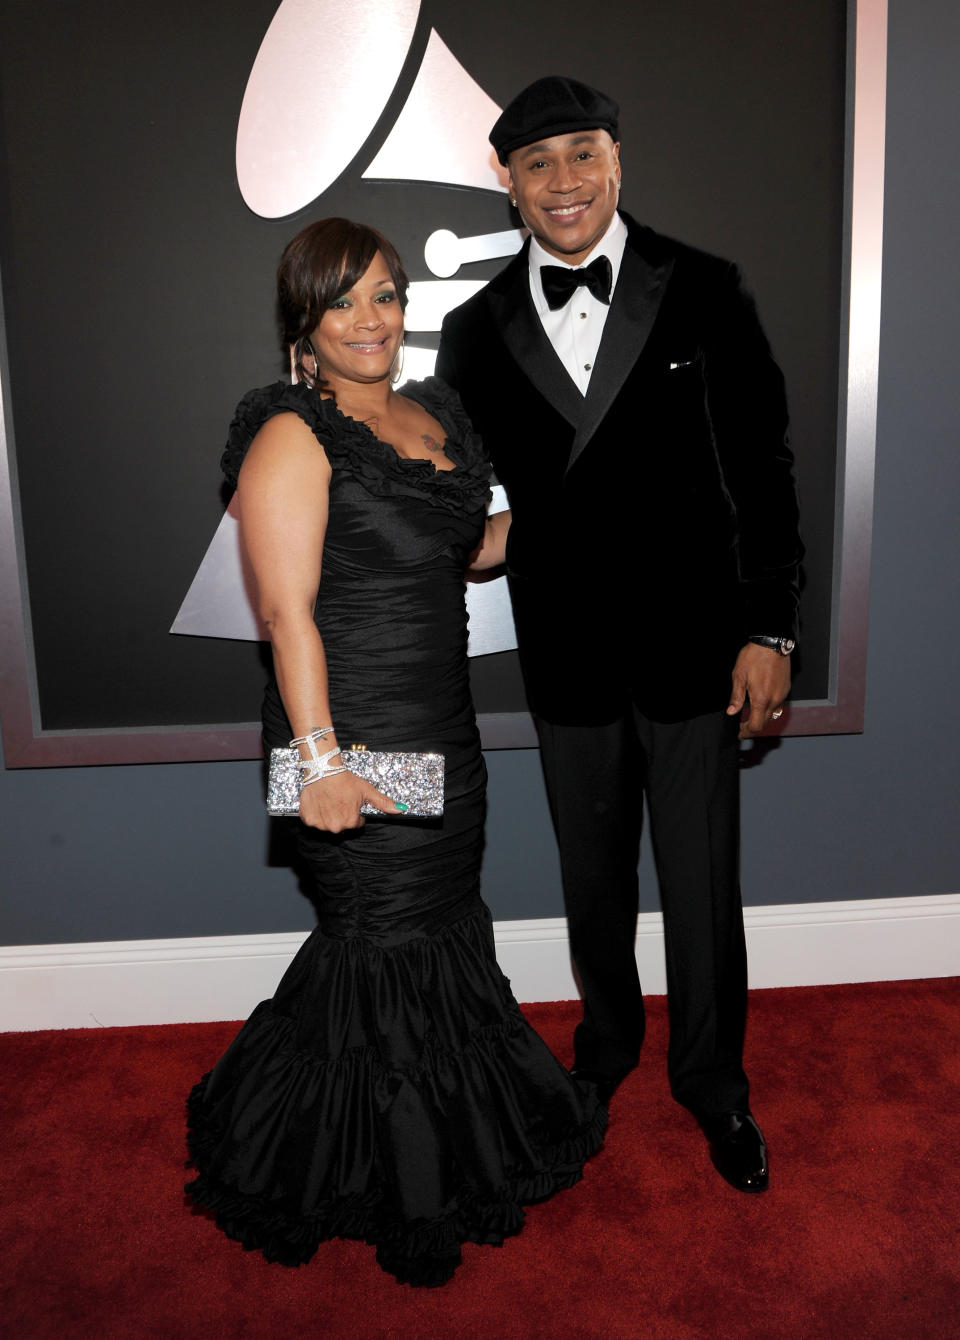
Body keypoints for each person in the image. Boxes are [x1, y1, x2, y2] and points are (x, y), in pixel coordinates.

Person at [185, 218, 605, 1287]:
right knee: (380, 940)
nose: (371, 320)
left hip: (441, 731)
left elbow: (464, 548)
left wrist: (567, 507)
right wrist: (321, 760)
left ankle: (442, 1148)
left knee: (435, 931)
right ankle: (389, 1178)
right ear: (305, 322)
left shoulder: (433, 411)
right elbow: (286, 613)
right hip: (348, 737)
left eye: (385, 293)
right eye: (343, 302)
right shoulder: (291, 431)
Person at [436, 77, 803, 1195]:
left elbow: (763, 470)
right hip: (570, 652)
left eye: (581, 156)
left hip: (698, 646)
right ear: (507, 182)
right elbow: (450, 483)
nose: (563, 183)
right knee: (591, 881)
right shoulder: (470, 328)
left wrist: (770, 628)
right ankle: (601, 1055)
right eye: (537, 164)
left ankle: (714, 1084)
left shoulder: (703, 286)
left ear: (617, 163)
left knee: (701, 885)